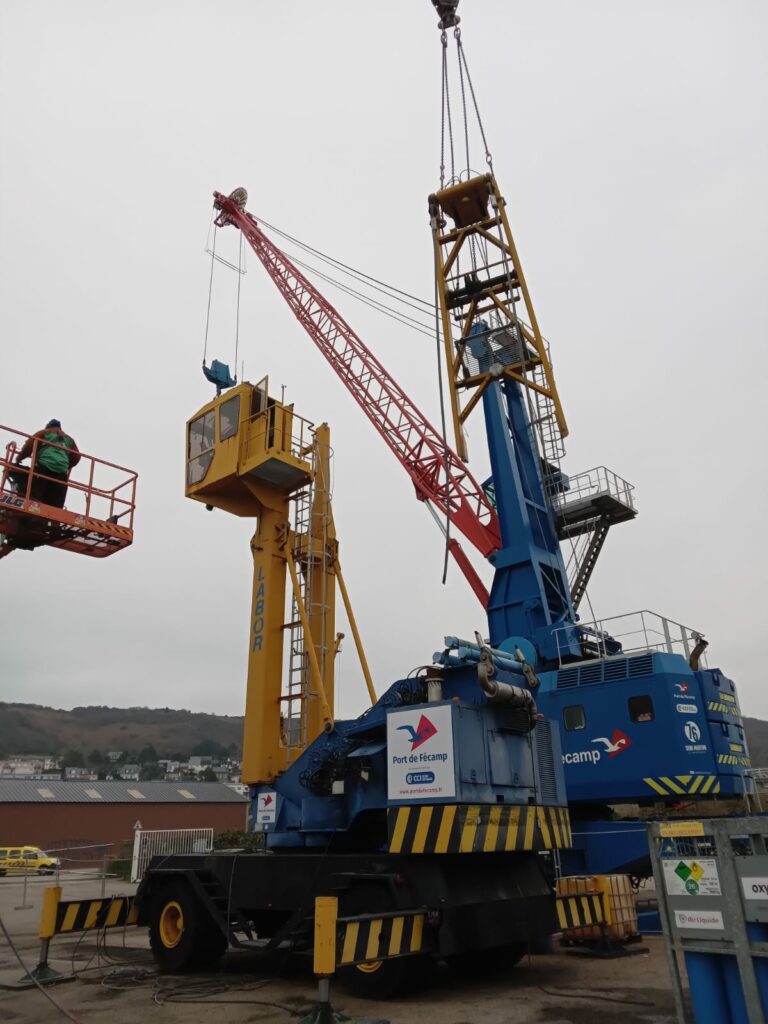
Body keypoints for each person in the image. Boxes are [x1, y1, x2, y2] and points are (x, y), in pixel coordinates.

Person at [15, 419, 80, 509]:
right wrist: (66, 466)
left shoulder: (44, 432)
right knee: (55, 505)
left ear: (48, 426)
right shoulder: (69, 439)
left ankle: (33, 508)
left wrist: (19, 458)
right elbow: (77, 457)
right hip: (61, 474)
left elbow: (29, 446)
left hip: (43, 468)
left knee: (34, 498)